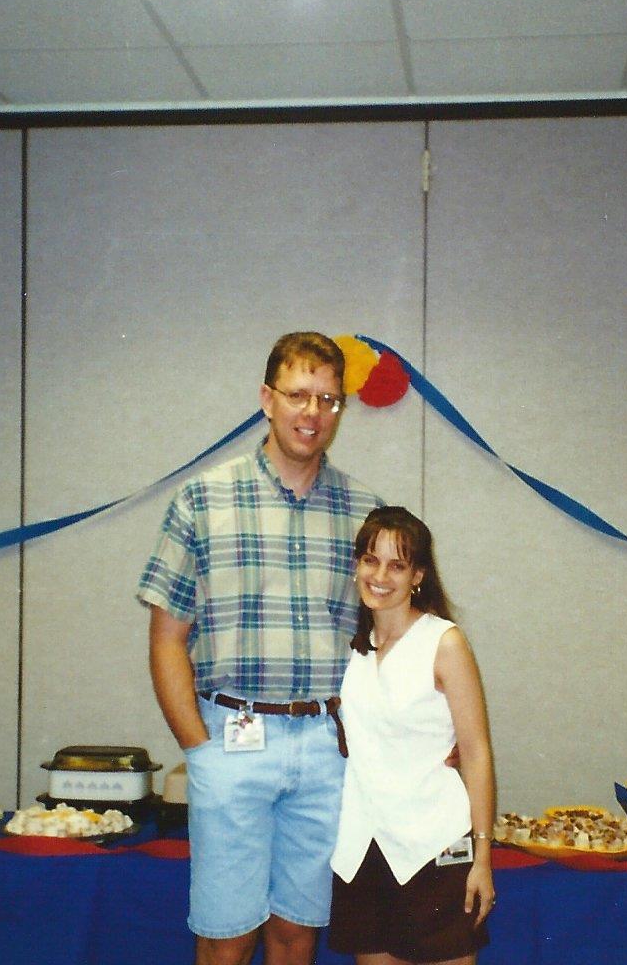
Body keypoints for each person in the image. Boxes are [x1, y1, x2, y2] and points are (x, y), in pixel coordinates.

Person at [137, 331, 384, 965]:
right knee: (226, 937)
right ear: (267, 399)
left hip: (327, 750)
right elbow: (167, 639)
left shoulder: (367, 514)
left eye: (328, 399)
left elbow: (387, 644)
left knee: (297, 933)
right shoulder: (202, 500)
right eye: (299, 395)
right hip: (230, 737)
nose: (313, 413)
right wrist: (199, 748)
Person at [328, 506, 496, 965]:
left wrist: (482, 858)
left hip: (433, 846)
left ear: (418, 574)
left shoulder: (444, 642)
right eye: (370, 559)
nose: (380, 575)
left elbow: (477, 753)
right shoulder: (351, 645)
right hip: (364, 847)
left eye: (396, 565)